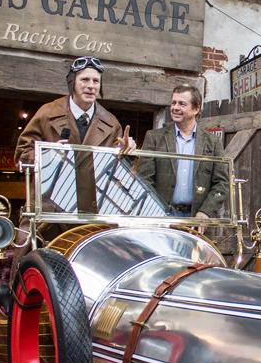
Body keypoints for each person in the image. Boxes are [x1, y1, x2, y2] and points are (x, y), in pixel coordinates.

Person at [12, 56, 136, 270]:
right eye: (84, 80)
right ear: (73, 83)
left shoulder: (110, 122)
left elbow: (115, 172)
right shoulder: (47, 113)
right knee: (28, 269)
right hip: (49, 209)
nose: (91, 86)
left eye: (96, 81)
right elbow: (21, 155)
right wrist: (48, 155)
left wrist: (126, 153)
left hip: (89, 215)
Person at [138, 85, 230, 222]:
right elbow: (144, 180)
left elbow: (221, 183)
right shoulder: (154, 138)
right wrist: (154, 211)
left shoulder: (213, 142)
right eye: (173, 102)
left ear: (196, 109)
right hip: (162, 218)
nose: (175, 107)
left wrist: (206, 212)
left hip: (197, 221)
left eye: (182, 104)